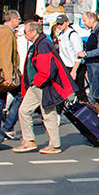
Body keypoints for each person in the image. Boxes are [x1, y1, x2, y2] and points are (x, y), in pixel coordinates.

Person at [15, 15, 72, 154]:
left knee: (48, 114)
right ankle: (29, 141)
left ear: (34, 32)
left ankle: (54, 145)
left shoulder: (42, 44)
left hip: (42, 85)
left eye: (26, 32)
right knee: (25, 111)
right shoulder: (39, 43)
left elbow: (46, 70)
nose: (25, 35)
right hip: (37, 85)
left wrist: (36, 82)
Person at [0, 8, 25, 141]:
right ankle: (7, 127)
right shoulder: (7, 33)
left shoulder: (2, 31)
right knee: (20, 96)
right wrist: (9, 76)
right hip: (5, 73)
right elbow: (6, 55)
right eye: (18, 19)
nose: (19, 22)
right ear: (12, 19)